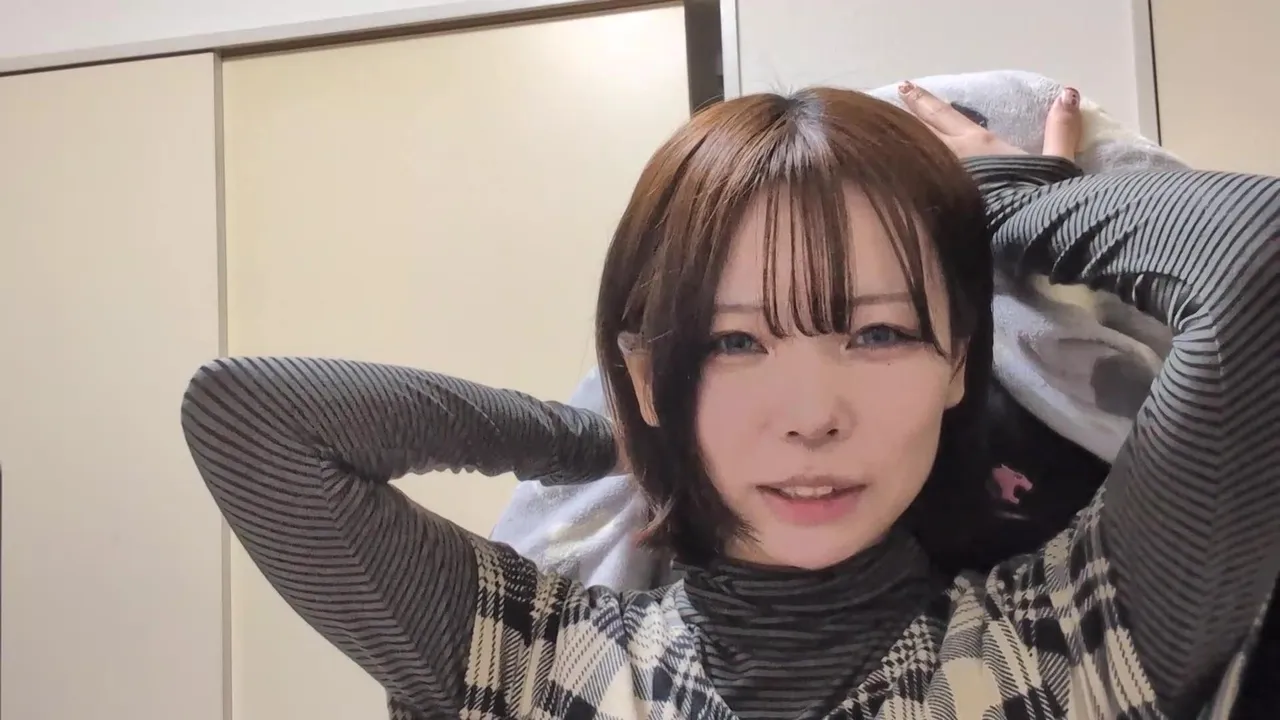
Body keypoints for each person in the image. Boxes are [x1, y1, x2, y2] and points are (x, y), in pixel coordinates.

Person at [180, 84, 1279, 720]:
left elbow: (1256, 260)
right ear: (652, 373)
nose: (810, 416)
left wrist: (998, 199)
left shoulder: (1074, 642)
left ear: (959, 363)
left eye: (879, 333)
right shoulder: (543, 665)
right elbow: (254, 420)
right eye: (733, 343)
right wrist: (614, 433)